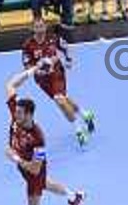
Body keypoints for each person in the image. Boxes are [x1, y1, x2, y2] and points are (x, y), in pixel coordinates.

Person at [5, 69, 84, 205]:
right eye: (16, 112)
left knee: (34, 203)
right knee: (47, 184)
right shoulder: (17, 117)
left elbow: (34, 169)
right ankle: (73, 196)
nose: (15, 115)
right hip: (24, 164)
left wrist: (14, 157)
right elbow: (10, 85)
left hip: (33, 170)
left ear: (29, 115)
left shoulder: (38, 139)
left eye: (20, 113)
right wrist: (31, 71)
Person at [22, 18, 96, 146]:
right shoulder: (28, 45)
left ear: (45, 27)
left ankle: (78, 129)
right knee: (64, 98)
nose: (40, 29)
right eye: (37, 27)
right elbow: (27, 65)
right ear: (32, 29)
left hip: (57, 74)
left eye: (42, 26)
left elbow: (65, 47)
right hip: (42, 80)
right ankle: (85, 114)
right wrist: (37, 70)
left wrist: (68, 60)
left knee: (59, 100)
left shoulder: (53, 38)